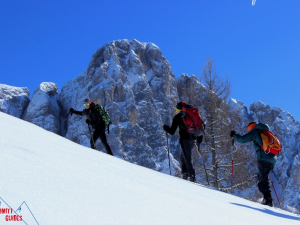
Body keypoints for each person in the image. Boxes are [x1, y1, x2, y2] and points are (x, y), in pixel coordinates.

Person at [230, 122, 277, 207]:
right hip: (272, 159)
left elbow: (242, 139)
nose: (248, 130)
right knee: (262, 178)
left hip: (264, 159)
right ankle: (266, 199)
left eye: (249, 128)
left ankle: (268, 201)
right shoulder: (266, 131)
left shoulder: (255, 132)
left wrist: (235, 135)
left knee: (262, 180)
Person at [163, 102, 204, 182]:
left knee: (186, 158)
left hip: (184, 140)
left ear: (181, 109)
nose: (176, 110)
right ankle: (184, 175)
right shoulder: (192, 115)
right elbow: (202, 126)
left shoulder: (178, 117)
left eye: (177, 109)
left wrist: (166, 127)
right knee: (183, 157)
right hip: (193, 140)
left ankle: (191, 176)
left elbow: (172, 131)